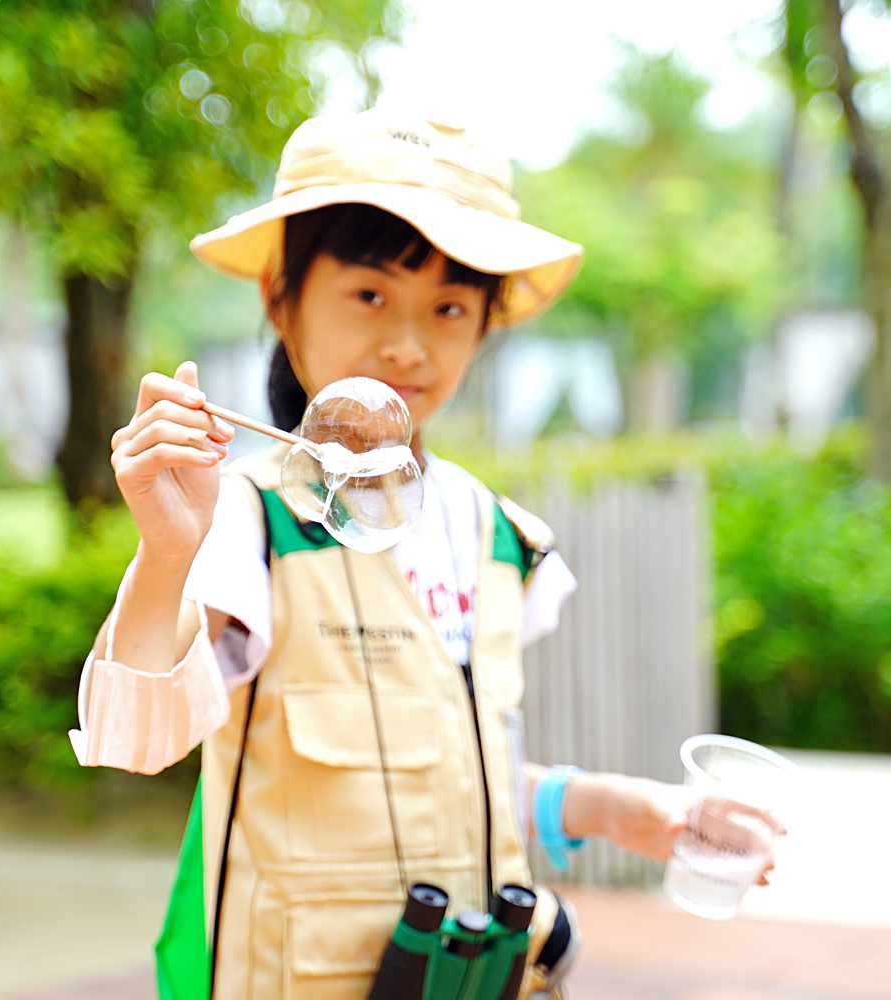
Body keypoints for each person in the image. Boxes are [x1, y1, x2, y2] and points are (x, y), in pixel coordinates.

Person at [69, 109, 781, 1000]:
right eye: (370, 294)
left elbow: (452, 777)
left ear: (487, 323)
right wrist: (169, 553)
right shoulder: (244, 516)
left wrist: (628, 812)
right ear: (280, 298)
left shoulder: (500, 538)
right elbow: (130, 740)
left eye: (449, 306)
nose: (409, 342)